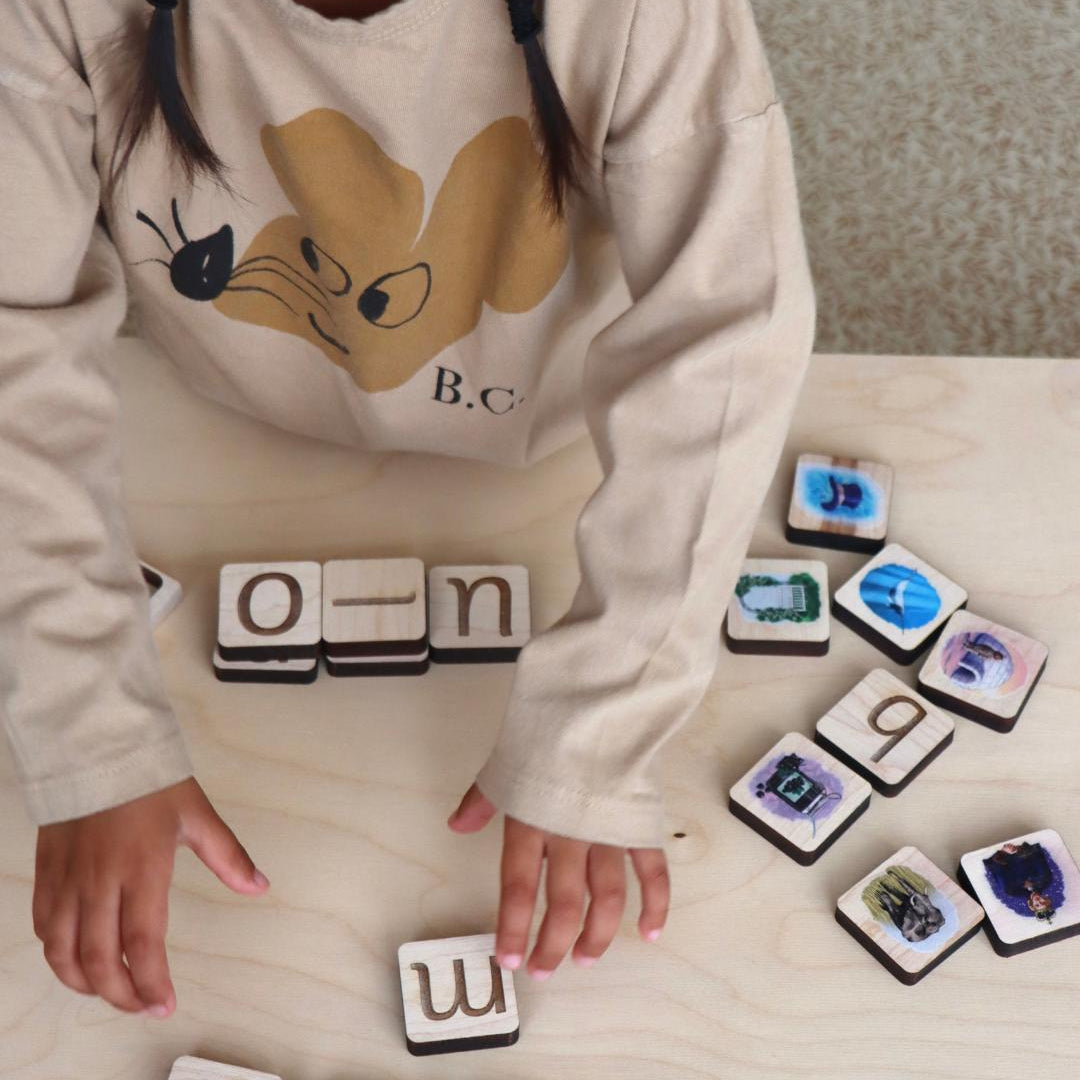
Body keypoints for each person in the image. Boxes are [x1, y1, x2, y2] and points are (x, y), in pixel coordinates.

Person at [0, 0, 817, 1019]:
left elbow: (730, 328)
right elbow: (14, 342)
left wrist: (604, 719)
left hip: (559, 434)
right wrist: (86, 732)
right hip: (226, 420)